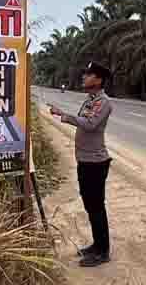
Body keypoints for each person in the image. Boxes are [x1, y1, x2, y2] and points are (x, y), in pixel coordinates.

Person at [49, 62, 114, 267]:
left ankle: (103, 252)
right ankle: (97, 245)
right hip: (85, 160)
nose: (84, 77)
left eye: (89, 75)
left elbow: (90, 124)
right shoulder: (89, 101)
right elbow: (84, 120)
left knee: (96, 207)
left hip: (96, 162)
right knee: (89, 205)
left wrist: (64, 116)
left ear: (99, 80)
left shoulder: (104, 102)